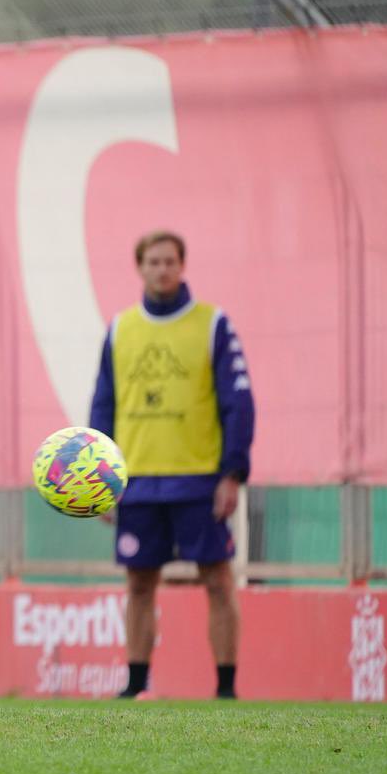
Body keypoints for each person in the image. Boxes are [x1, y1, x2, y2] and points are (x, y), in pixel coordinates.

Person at [89, 230, 254, 700]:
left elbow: (238, 403)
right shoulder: (121, 330)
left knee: (217, 579)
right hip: (137, 482)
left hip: (199, 479)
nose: (162, 270)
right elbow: (103, 406)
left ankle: (226, 689)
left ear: (182, 265)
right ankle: (135, 685)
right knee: (139, 583)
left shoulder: (212, 324)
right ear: (139, 267)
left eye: (169, 261)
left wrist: (232, 472)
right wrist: (101, 482)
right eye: (153, 262)